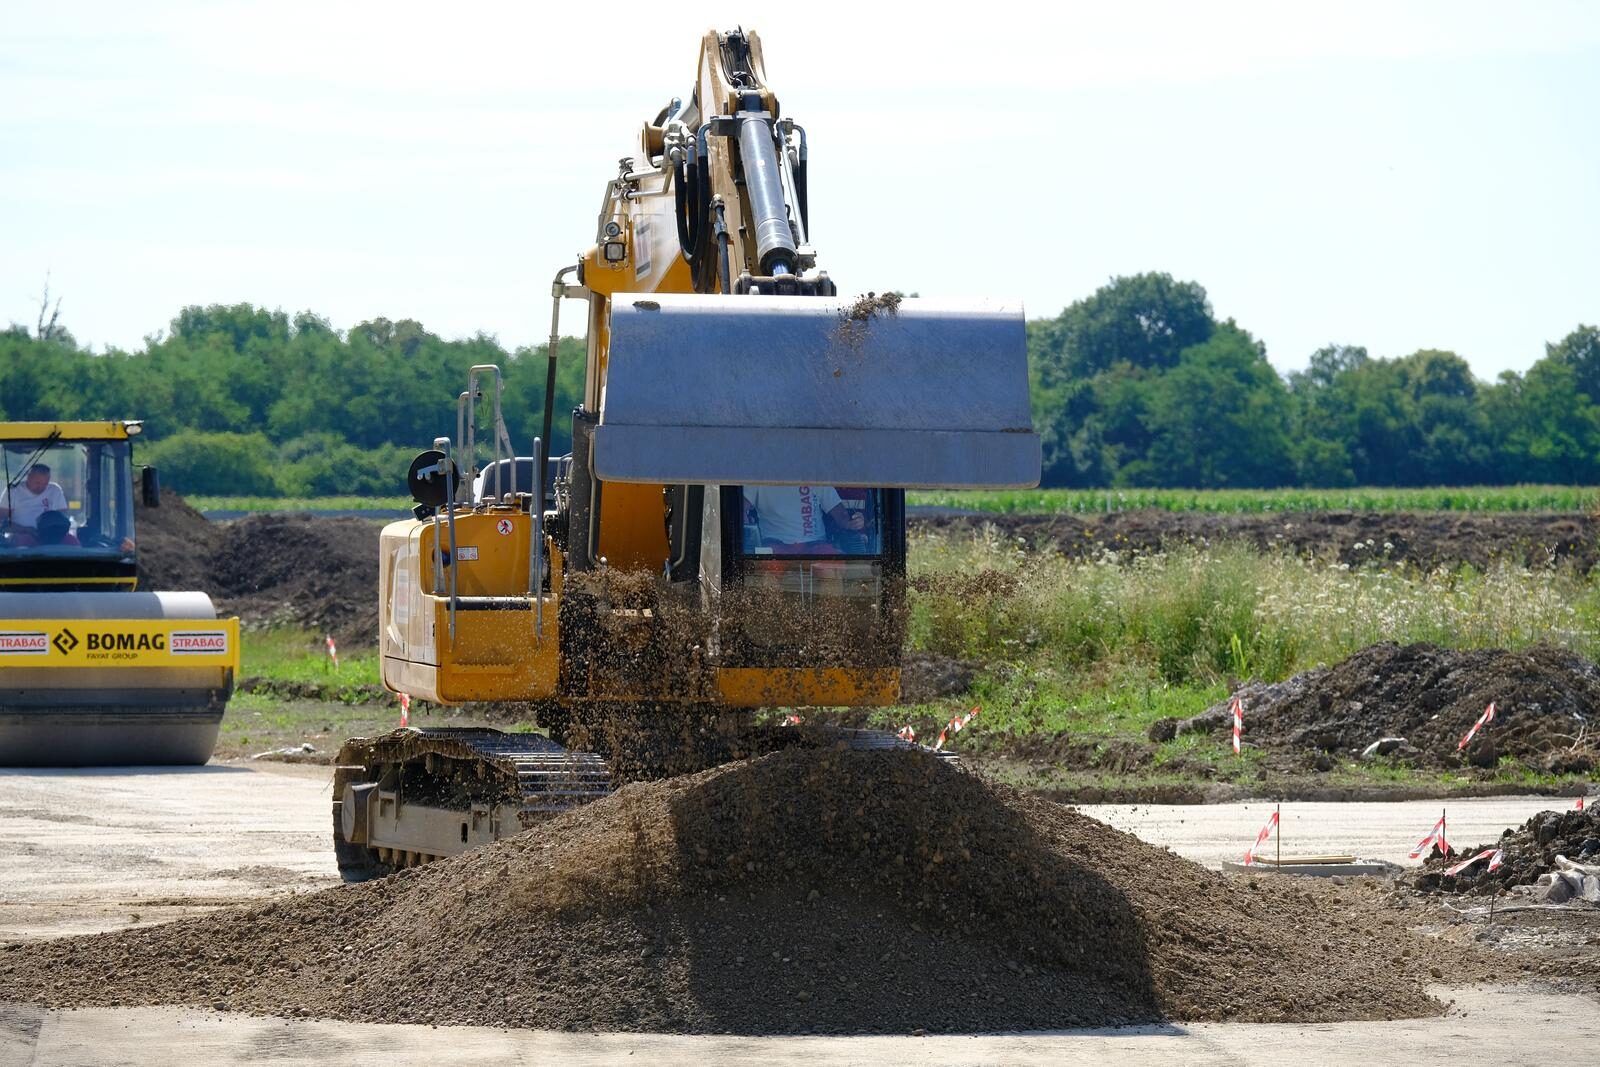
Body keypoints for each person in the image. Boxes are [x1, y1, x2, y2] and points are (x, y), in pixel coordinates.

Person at [742, 484, 864, 554]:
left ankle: (832, 601)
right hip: (774, 545)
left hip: (815, 544)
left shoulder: (816, 475)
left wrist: (853, 522)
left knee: (831, 568)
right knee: (767, 571)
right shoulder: (759, 476)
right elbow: (738, 507)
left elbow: (841, 515)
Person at [0, 463, 69, 533]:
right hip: (20, 535)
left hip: (48, 535)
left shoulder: (55, 490)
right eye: (37, 483)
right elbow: (2, 521)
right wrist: (24, 529)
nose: (41, 487)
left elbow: (62, 518)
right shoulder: (13, 490)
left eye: (45, 484)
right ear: (28, 477)